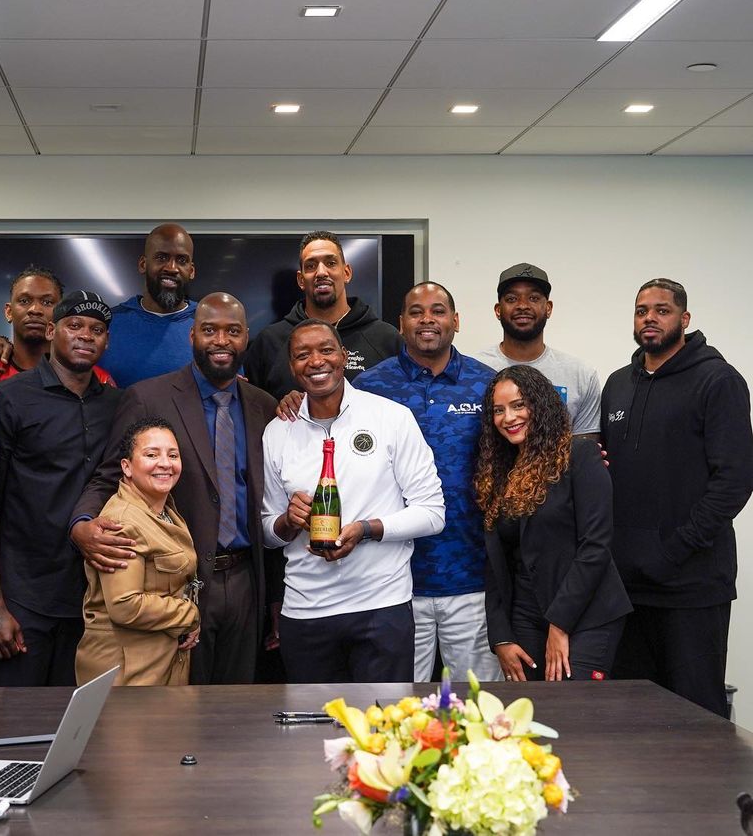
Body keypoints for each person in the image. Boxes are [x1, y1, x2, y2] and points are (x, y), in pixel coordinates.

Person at [70, 293, 277, 684]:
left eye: (232, 331)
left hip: (247, 579)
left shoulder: (263, 406)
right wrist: (82, 524)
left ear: (246, 337)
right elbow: (110, 473)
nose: (221, 341)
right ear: (192, 336)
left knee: (237, 703)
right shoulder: (149, 397)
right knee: (183, 703)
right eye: (209, 330)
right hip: (179, 582)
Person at [261, 319, 445, 684]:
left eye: (326, 350)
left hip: (381, 607)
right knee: (312, 721)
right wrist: (287, 521)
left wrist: (366, 529)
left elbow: (432, 513)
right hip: (306, 611)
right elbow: (268, 532)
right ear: (291, 367)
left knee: (384, 719)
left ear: (344, 356)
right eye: (302, 355)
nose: (316, 361)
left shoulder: (391, 418)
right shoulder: (277, 432)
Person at [602, 279, 752, 717]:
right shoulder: (618, 384)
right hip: (627, 588)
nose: (650, 317)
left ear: (684, 319)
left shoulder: (718, 380)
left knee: (695, 716)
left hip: (692, 585)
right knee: (630, 714)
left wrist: (673, 552)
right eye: (641, 310)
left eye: (662, 310)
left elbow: (734, 481)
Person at [354, 282, 500, 682]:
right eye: (416, 312)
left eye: (438, 311)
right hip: (394, 581)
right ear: (401, 323)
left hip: (471, 577)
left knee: (479, 704)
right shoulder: (369, 387)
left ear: (456, 321)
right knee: (399, 704)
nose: (427, 320)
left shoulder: (488, 384)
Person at [0, 291, 121, 686]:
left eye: (97, 330)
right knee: (14, 716)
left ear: (107, 342)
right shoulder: (9, 398)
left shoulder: (117, 404)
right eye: (74, 326)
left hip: (94, 599)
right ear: (53, 332)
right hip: (24, 599)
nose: (86, 335)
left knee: (83, 718)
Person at [474, 365, 632, 683]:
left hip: (587, 612)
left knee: (573, 708)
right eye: (498, 410)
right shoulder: (499, 472)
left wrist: (559, 625)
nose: (509, 418)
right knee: (528, 710)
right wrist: (501, 635)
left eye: (519, 405)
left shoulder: (581, 455)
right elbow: (495, 563)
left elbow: (595, 547)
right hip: (526, 615)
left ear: (540, 405)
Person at [0, 225, 197, 388]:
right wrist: (2, 342)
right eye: (161, 257)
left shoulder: (208, 326)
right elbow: (58, 353)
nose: (171, 267)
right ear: (143, 264)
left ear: (192, 270)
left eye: (182, 260)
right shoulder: (108, 322)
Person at [75, 418, 201, 686]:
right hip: (127, 671)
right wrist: (190, 614)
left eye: (173, 455)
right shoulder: (122, 522)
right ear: (127, 467)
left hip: (161, 662)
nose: (165, 463)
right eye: (151, 455)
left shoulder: (165, 510)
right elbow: (126, 605)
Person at [244, 230, 403, 400]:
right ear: (301, 280)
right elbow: (252, 406)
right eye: (311, 266)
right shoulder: (269, 342)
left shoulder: (386, 339)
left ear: (347, 273)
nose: (321, 272)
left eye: (331, 263)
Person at [475, 263, 601, 439]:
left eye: (533, 298)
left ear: (548, 308)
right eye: (511, 299)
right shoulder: (473, 370)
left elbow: (585, 449)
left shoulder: (581, 375)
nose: (522, 305)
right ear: (498, 310)